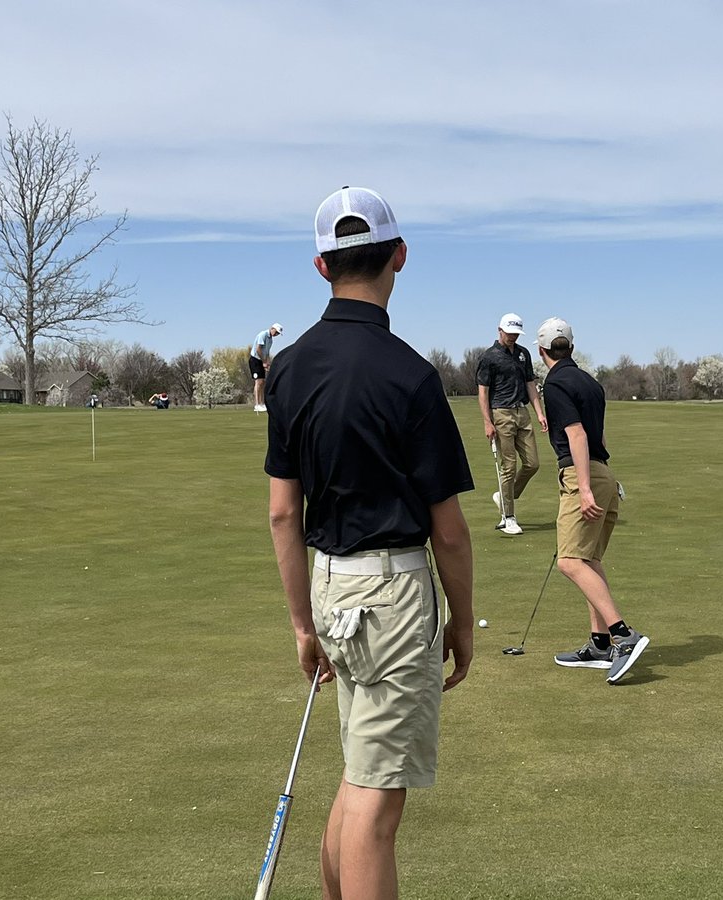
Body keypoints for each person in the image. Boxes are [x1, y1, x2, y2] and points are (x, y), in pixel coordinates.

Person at [264, 186, 475, 900]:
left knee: (360, 780)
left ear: (322, 267)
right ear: (400, 257)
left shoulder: (287, 369)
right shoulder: (412, 376)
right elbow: (448, 529)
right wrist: (461, 622)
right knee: (377, 804)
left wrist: (302, 623)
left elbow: (283, 516)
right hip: (391, 594)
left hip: (329, 588)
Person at [537, 317, 649, 685]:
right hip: (605, 475)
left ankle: (622, 635)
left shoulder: (553, 384)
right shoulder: (589, 381)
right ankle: (600, 644)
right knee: (588, 559)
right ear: (570, 346)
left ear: (542, 352)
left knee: (570, 562)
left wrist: (582, 488)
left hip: (582, 474)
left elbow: (577, 434)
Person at [476, 312, 548, 535]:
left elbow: (530, 384)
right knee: (508, 467)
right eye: (509, 333)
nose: (513, 337)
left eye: (516, 333)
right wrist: (488, 422)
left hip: (522, 412)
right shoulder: (489, 357)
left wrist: (539, 413)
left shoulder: (523, 354)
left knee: (533, 464)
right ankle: (508, 517)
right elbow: (483, 392)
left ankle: (504, 495)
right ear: (500, 330)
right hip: (501, 413)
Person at [250, 323, 284, 412]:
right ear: (272, 328)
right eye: (276, 332)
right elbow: (258, 349)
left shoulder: (271, 340)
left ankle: (261, 403)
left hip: (261, 360)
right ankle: (257, 404)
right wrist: (264, 361)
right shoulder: (263, 335)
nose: (276, 335)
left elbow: (267, 353)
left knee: (263, 382)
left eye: (278, 334)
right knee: (258, 382)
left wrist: (268, 363)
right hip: (255, 360)